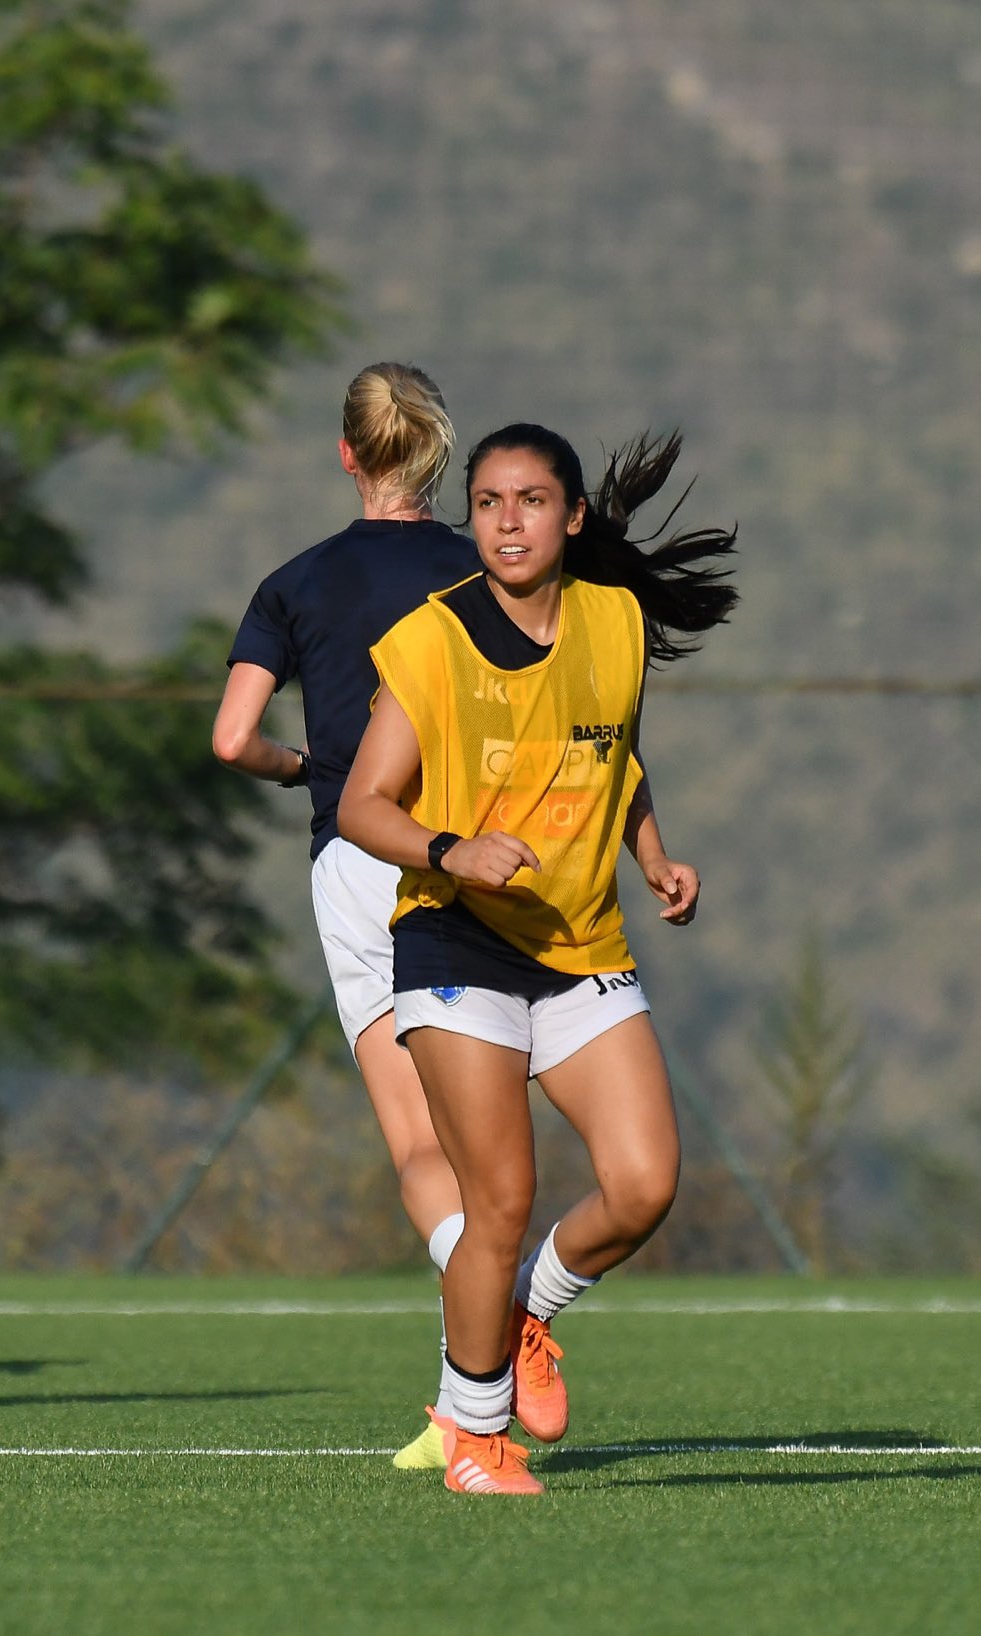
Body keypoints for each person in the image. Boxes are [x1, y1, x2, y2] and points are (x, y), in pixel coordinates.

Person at [340, 423, 735, 1495]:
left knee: (645, 1183)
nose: (506, 521)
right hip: (452, 940)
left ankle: (526, 1314)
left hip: (578, 945)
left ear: (571, 519)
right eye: (488, 503)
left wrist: (652, 855)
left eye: (529, 501)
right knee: (497, 1198)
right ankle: (473, 1436)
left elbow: (613, 752)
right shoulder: (430, 641)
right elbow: (359, 803)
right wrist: (451, 850)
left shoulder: (613, 620)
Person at [213, 362, 476, 1469]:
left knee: (418, 1141)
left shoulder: (294, 581)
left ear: (345, 454)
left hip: (357, 858)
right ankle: (474, 1391)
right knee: (489, 1138)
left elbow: (230, 738)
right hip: (479, 860)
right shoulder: (487, 564)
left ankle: (485, 1342)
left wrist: (299, 770)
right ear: (438, 453)